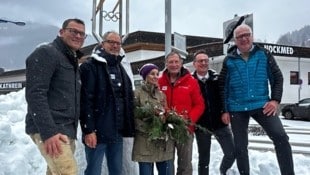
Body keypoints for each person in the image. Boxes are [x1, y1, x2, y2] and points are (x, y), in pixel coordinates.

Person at [219, 24, 295, 175]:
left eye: (247, 34)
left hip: (262, 104)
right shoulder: (229, 60)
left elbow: (277, 78)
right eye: (240, 36)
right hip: (237, 108)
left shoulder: (264, 54)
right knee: (240, 147)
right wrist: (224, 110)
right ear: (235, 40)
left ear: (252, 36)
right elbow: (223, 86)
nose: (244, 38)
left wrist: (275, 100)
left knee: (281, 138)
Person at [25, 18, 86, 175]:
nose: (78, 36)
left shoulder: (71, 61)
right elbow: (35, 93)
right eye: (73, 31)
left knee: (55, 172)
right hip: (52, 128)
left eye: (82, 34)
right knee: (68, 172)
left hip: (67, 129)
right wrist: (49, 132)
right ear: (61, 32)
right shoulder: (47, 52)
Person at [79, 30, 135, 175]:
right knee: (94, 171)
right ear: (102, 44)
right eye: (111, 42)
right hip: (97, 132)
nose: (115, 46)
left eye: (118, 43)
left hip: (117, 132)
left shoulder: (120, 67)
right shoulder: (89, 67)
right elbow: (85, 101)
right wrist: (88, 130)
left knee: (116, 171)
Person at [158, 51, 205, 175]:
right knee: (167, 163)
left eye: (176, 61)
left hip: (185, 129)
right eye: (171, 62)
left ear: (181, 63)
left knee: (185, 164)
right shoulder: (160, 82)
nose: (174, 64)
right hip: (165, 129)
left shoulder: (191, 81)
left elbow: (199, 105)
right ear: (166, 64)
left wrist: (189, 120)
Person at [192, 50, 235, 175]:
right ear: (194, 64)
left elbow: (225, 96)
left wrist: (225, 111)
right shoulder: (190, 81)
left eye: (206, 60)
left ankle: (223, 171)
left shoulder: (217, 79)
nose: (204, 63)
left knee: (231, 153)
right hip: (202, 126)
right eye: (200, 61)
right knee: (204, 159)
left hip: (220, 123)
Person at [132, 63, 174, 175]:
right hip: (145, 142)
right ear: (145, 76)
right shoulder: (137, 94)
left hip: (162, 143)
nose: (156, 76)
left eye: (157, 74)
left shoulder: (161, 95)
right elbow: (133, 116)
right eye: (152, 74)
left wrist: (167, 118)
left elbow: (166, 111)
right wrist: (149, 127)